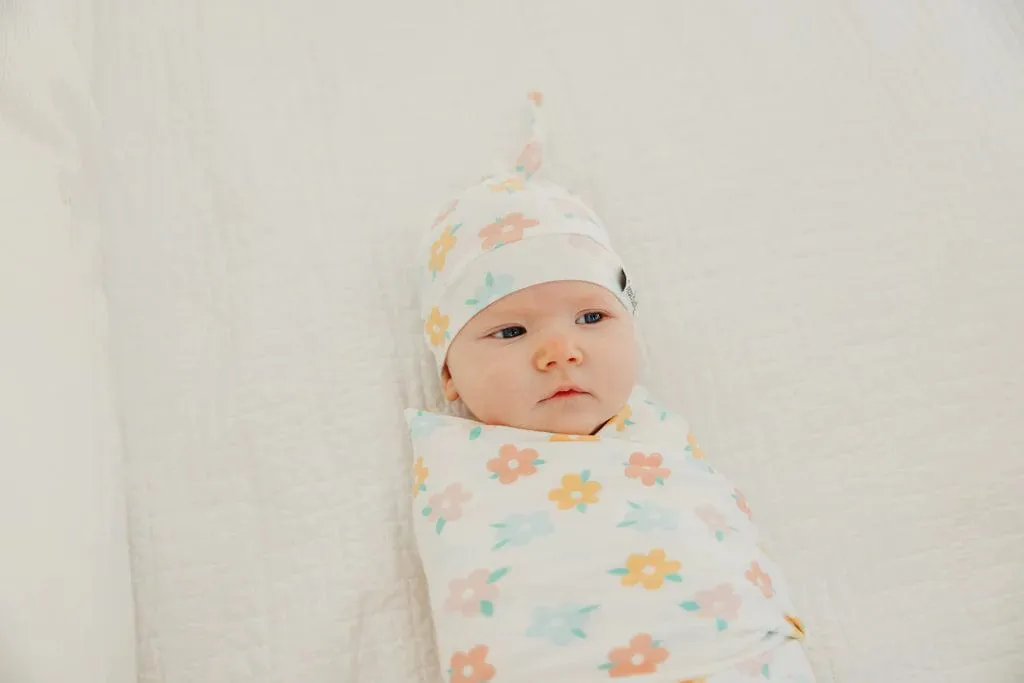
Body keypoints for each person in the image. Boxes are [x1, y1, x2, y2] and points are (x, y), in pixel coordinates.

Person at [408, 92, 815, 683]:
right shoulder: (462, 469)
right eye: (512, 330)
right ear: (448, 371)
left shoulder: (658, 439)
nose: (561, 352)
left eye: (592, 318)